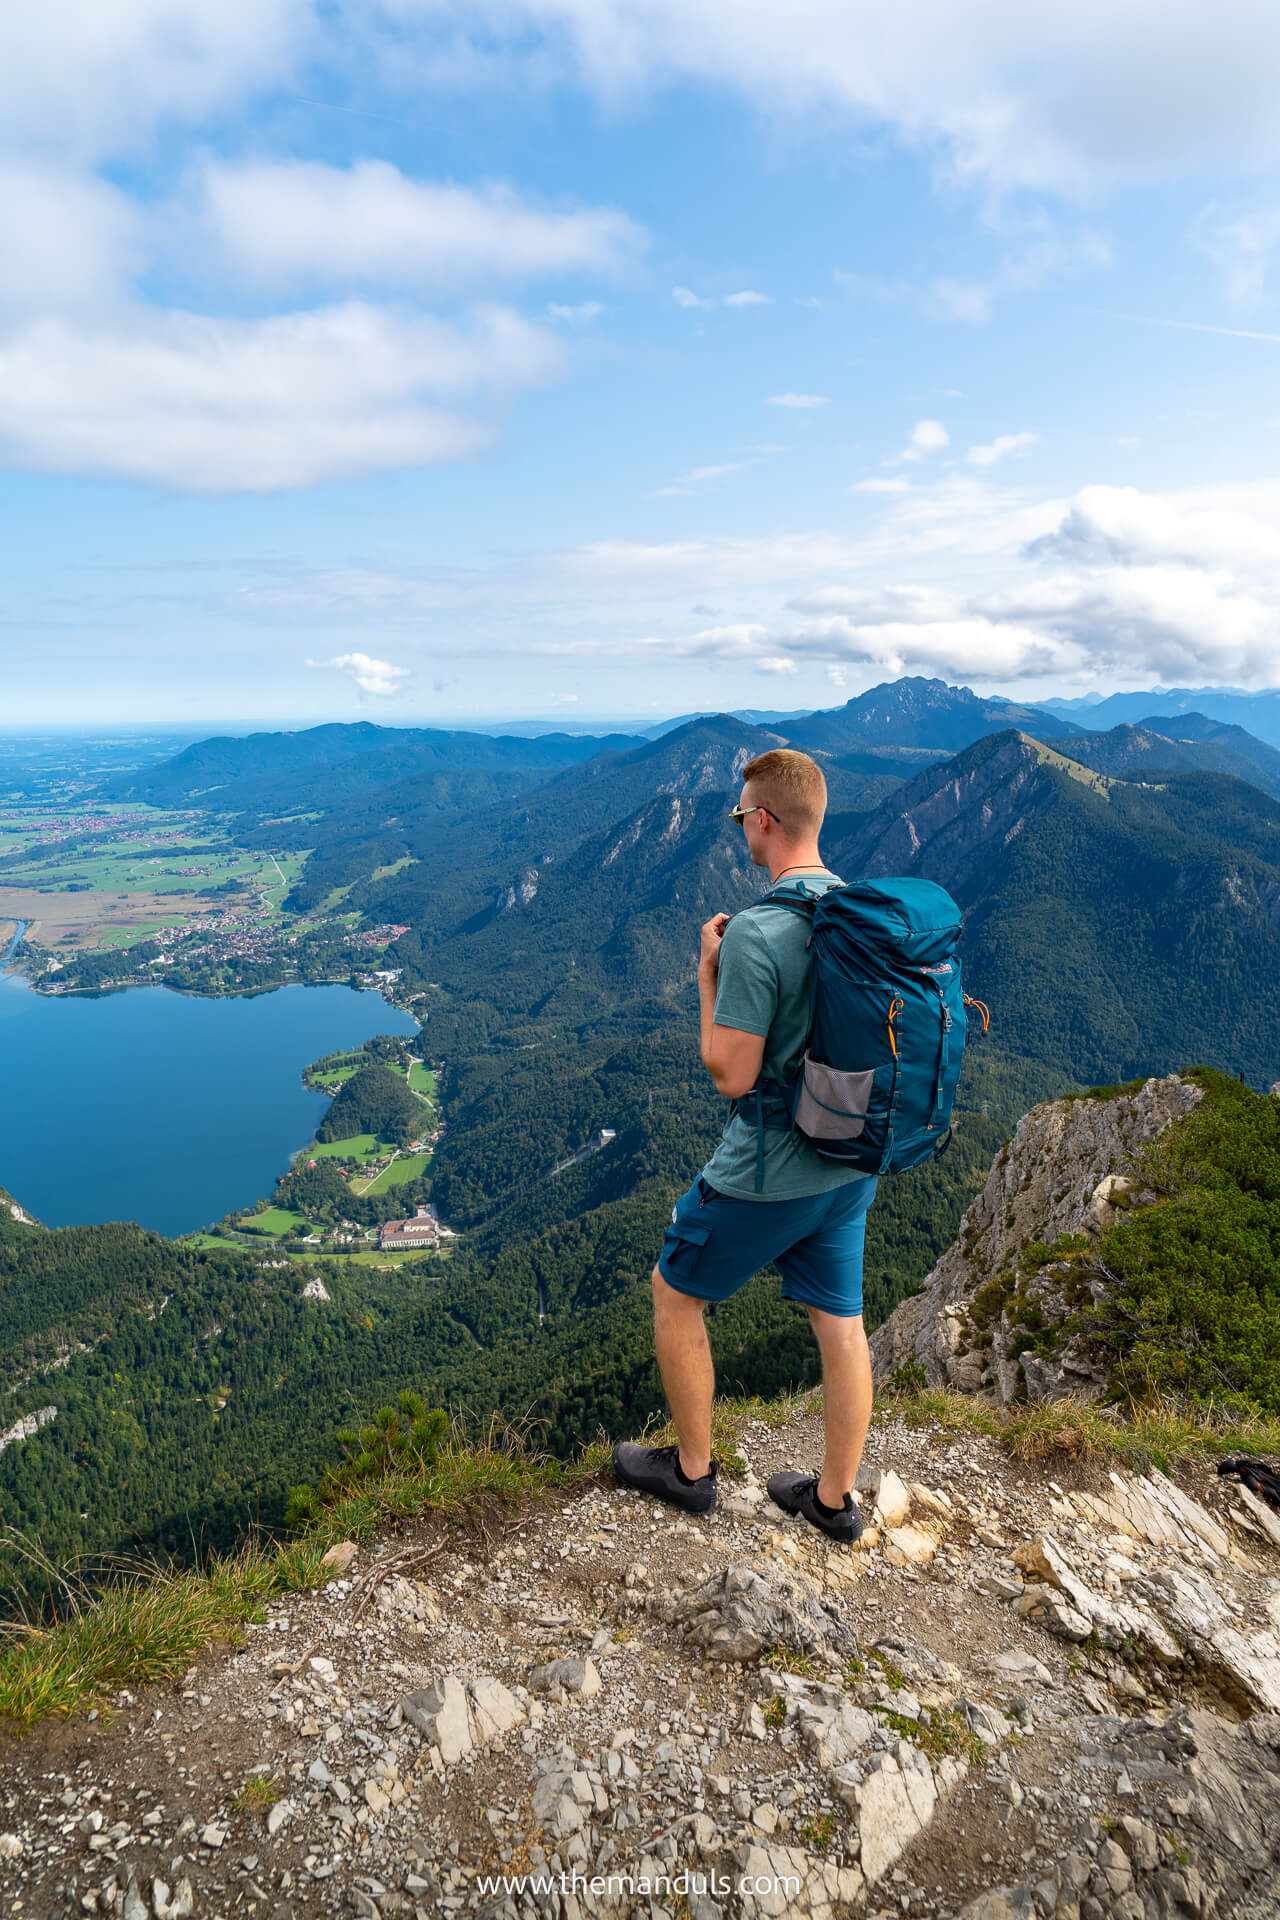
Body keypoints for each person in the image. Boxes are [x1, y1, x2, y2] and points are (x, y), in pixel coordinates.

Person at [613, 748, 877, 1542]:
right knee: (841, 1324)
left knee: (675, 1292)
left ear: (763, 820)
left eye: (741, 819)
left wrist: (707, 973)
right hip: (855, 1158)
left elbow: (730, 1074)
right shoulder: (860, 915)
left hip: (772, 1167)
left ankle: (691, 1473)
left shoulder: (761, 931)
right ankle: (833, 1500)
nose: (741, 832)